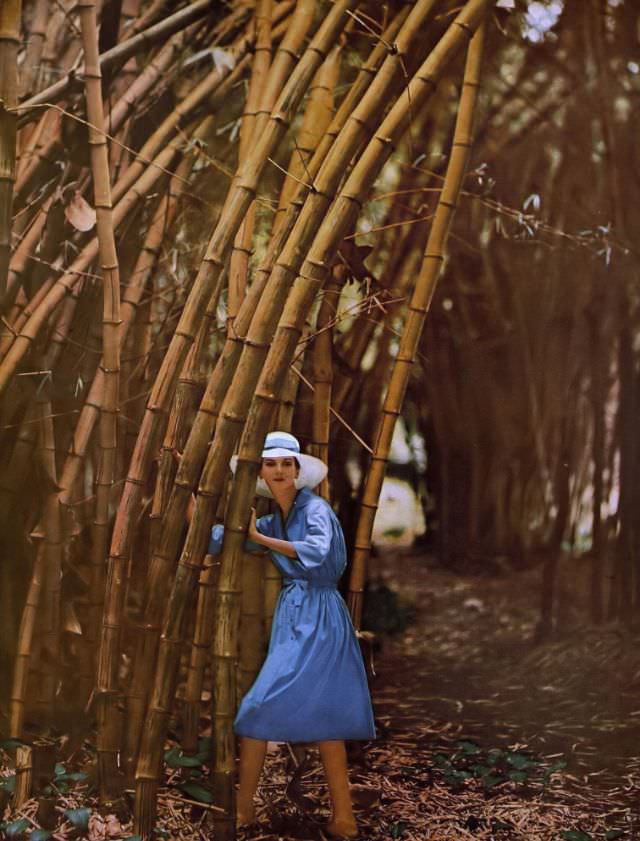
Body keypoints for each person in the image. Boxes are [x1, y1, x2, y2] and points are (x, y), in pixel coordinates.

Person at [208, 431, 376, 839]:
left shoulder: (315, 509)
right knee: (322, 716)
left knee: (256, 710)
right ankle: (342, 820)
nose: (280, 470)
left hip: (319, 615)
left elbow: (318, 553)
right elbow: (227, 536)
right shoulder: (275, 516)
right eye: (272, 464)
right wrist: (211, 542)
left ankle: (247, 815)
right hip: (296, 616)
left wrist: (260, 540)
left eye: (287, 464)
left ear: (298, 471)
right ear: (263, 473)